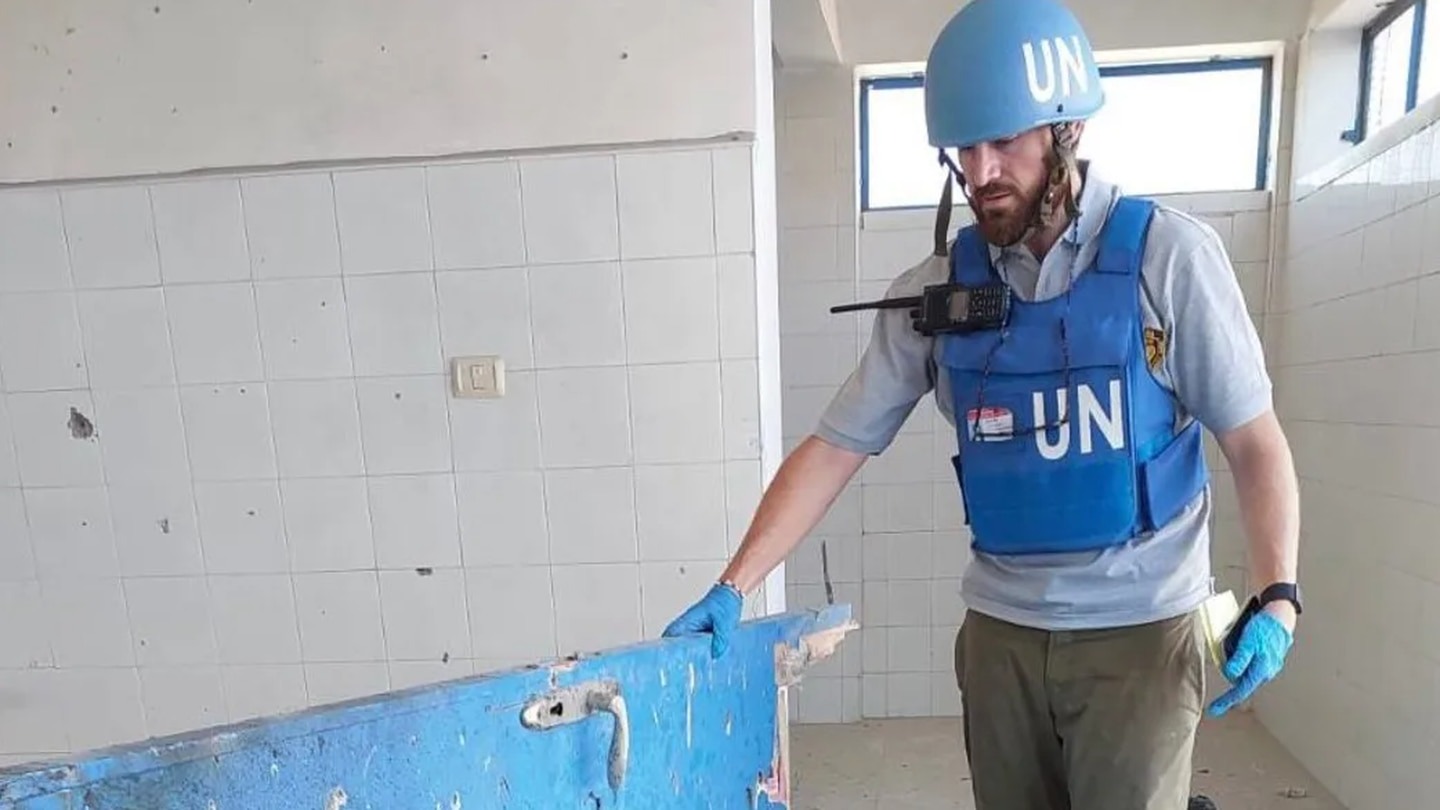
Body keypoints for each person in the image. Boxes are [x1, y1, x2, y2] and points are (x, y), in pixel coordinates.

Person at [663, 0, 1302, 806]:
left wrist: (1279, 595)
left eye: (1004, 141)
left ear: (1066, 131)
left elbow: (1254, 442)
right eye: (964, 148)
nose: (981, 170)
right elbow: (834, 449)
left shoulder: (1168, 260)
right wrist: (735, 583)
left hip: (1141, 630)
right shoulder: (936, 296)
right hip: (1002, 635)